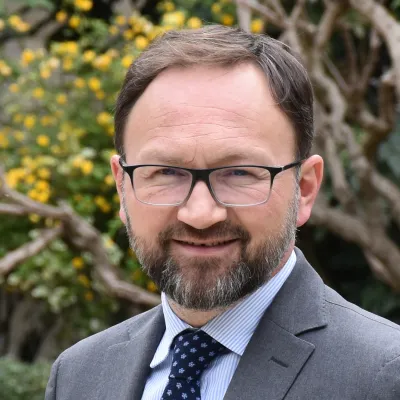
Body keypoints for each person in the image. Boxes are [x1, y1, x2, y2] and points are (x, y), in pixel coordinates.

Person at [45, 25, 400, 400]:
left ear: (306, 189)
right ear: (122, 187)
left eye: (239, 173)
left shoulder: (383, 377)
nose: (200, 214)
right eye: (166, 172)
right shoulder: (79, 375)